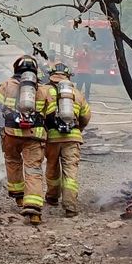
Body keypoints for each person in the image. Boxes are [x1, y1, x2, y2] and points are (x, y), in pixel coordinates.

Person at [0, 55, 48, 224]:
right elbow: (52, 114)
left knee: (12, 161)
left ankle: (19, 198)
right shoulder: (42, 89)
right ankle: (34, 210)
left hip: (11, 134)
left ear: (16, 69)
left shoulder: (6, 86)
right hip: (34, 135)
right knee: (33, 168)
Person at [40, 62, 91, 217]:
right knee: (70, 171)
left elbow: (37, 113)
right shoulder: (76, 93)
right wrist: (78, 129)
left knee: (52, 167)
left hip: (52, 137)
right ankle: (70, 206)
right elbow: (86, 115)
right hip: (72, 137)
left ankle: (52, 197)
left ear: (51, 75)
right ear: (68, 76)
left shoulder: (43, 90)